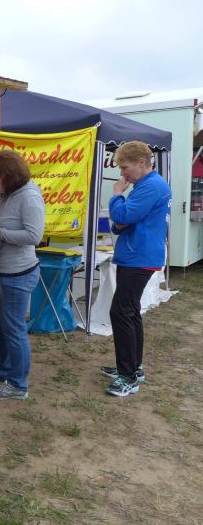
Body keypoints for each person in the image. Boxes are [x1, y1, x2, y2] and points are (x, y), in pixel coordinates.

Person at [100, 141, 171, 397]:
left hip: (139, 256)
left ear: (141, 163)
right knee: (129, 312)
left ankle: (128, 376)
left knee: (121, 312)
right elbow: (121, 223)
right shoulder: (147, 185)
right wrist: (121, 220)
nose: (122, 174)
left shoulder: (151, 185)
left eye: (124, 167)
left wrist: (117, 194)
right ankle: (134, 368)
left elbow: (122, 217)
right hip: (137, 254)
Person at [0, 150, 45, 401]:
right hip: (1, 272)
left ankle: (17, 384)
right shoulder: (4, 194)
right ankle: (4, 371)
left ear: (9, 176)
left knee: (14, 329)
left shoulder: (29, 197)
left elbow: (34, 236)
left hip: (17, 274)